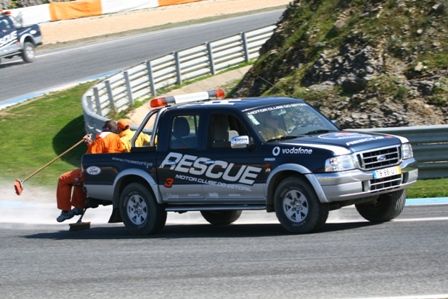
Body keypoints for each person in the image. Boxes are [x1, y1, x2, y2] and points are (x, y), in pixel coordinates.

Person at [56, 120, 126, 222]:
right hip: (112, 171)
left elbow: (92, 157)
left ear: (106, 128)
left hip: (97, 171)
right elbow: (104, 152)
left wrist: (91, 144)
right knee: (77, 178)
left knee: (63, 179)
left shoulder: (102, 136)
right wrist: (90, 143)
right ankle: (78, 206)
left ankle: (66, 211)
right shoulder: (118, 139)